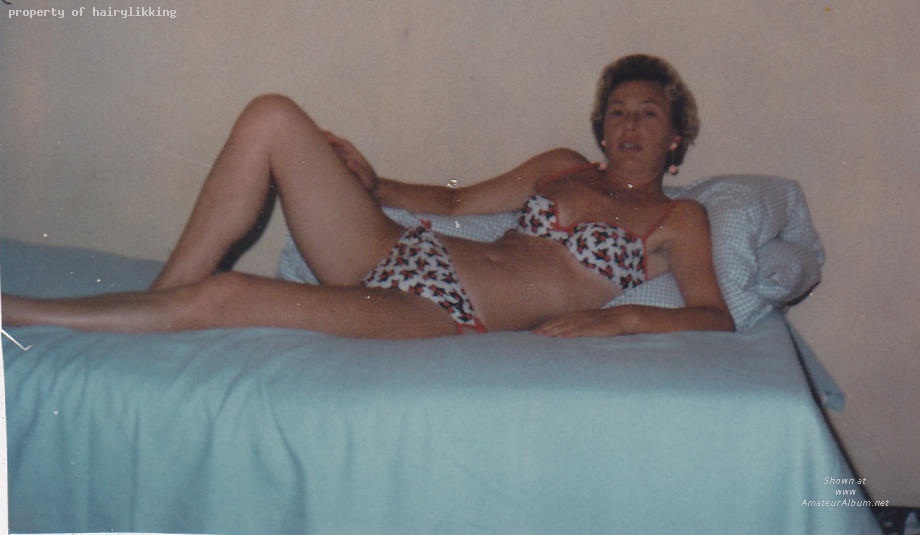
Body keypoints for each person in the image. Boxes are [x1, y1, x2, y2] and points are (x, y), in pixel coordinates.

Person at [2, 54, 733, 339]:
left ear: (675, 136)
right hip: (404, 248)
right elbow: (456, 205)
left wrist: (617, 320)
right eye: (617, 111)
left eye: (648, 114)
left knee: (231, 294)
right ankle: (161, 299)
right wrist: (373, 185)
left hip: (446, 310)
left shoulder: (678, 218)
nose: (628, 125)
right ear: (600, 126)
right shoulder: (562, 167)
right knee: (272, 116)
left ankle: (20, 312)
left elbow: (713, 316)